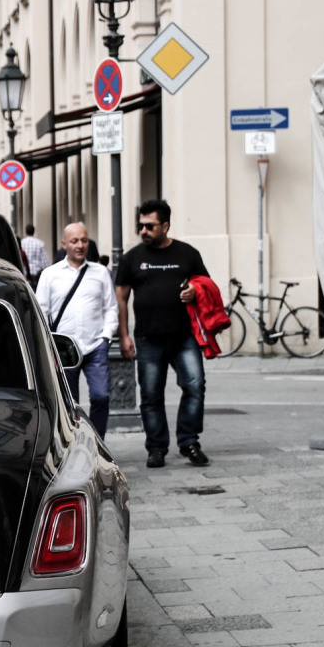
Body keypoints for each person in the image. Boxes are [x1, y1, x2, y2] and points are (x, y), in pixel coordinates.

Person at [116, 199, 211, 468]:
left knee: (194, 386)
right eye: (141, 226)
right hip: (148, 338)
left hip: (185, 336)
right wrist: (124, 335)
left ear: (165, 225)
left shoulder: (187, 254)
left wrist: (195, 291)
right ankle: (156, 448)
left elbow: (206, 284)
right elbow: (121, 298)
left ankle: (189, 442)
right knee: (150, 395)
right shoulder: (132, 258)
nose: (143, 230)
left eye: (150, 226)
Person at [37, 222, 117, 438]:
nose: (80, 245)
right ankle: (73, 443)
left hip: (95, 347)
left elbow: (110, 308)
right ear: (64, 244)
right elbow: (41, 312)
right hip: (64, 350)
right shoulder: (50, 274)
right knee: (69, 404)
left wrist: (106, 338)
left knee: (101, 396)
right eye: (74, 241)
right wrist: (48, 344)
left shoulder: (100, 273)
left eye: (84, 240)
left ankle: (98, 442)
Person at [20, 224, 48, 288]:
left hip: (24, 274)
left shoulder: (21, 243)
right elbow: (45, 262)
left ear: (26, 232)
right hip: (36, 273)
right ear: (34, 232)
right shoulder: (40, 243)